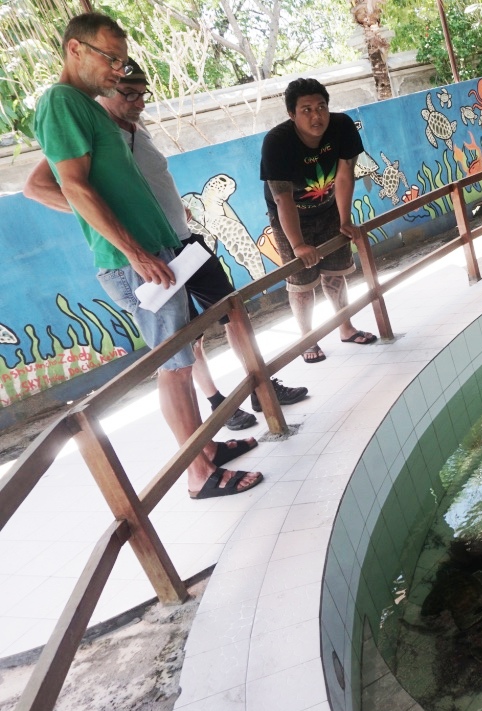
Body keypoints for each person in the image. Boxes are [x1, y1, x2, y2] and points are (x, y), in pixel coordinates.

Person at [31, 12, 262, 499]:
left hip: (157, 253)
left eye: (122, 59)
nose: (118, 70)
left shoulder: (90, 109)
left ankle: (205, 450)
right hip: (135, 264)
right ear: (75, 49)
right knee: (174, 369)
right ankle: (197, 475)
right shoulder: (60, 102)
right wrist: (131, 251)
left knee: (183, 358)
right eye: (109, 58)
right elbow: (67, 184)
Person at [24, 59, 308, 432]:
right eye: (129, 94)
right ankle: (216, 401)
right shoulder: (90, 130)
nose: (139, 102)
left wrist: (174, 209)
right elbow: (38, 187)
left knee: (233, 312)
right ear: (106, 92)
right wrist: (107, 224)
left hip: (184, 242)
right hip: (151, 256)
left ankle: (260, 385)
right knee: (188, 339)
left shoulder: (138, 129)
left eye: (144, 94)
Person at [260, 77, 376, 363]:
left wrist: (345, 219)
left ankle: (346, 327)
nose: (316, 116)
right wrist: (298, 244)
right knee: (301, 282)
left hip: (328, 207)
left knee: (336, 272)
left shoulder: (342, 127)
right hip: (289, 215)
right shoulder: (277, 142)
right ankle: (307, 338)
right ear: (292, 114)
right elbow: (281, 198)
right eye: (306, 110)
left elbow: (345, 174)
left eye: (321, 107)